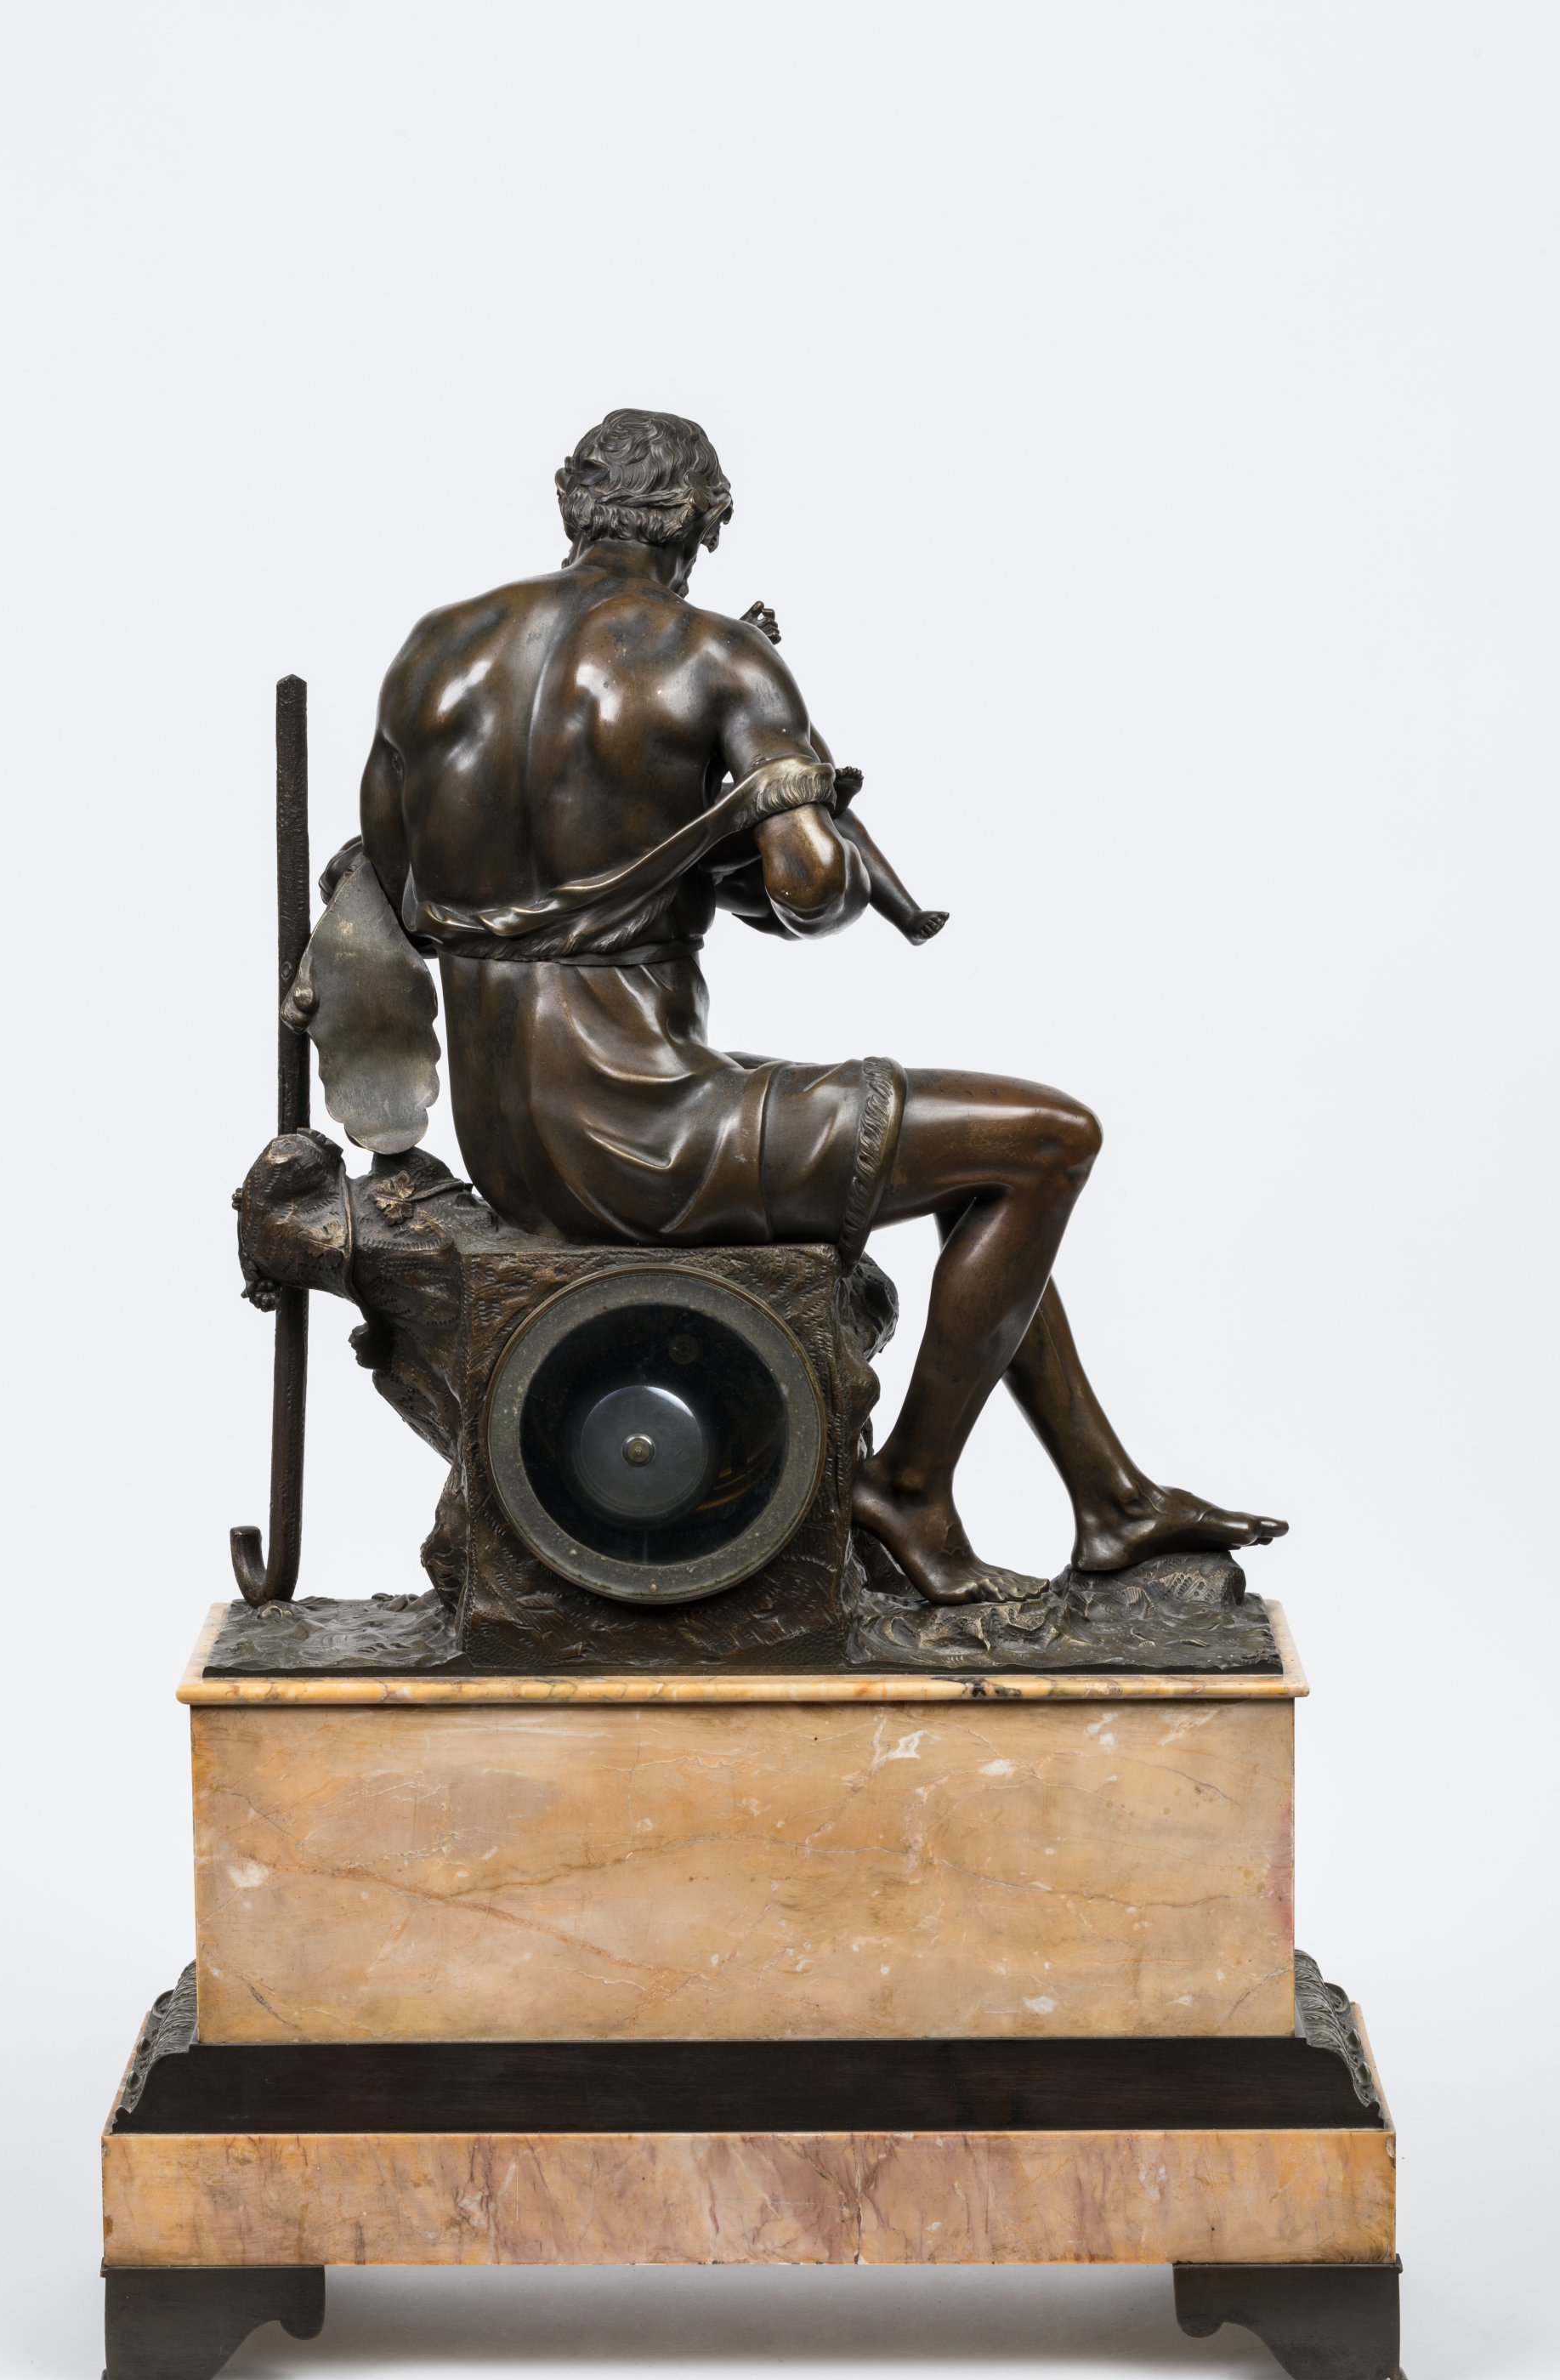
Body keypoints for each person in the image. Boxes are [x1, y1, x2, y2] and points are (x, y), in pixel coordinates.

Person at [349, 408, 1285, 1602]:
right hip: (639, 1137)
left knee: (972, 1162)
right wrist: (793, 797)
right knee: (1046, 1143)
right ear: (706, 524)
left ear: (569, 502)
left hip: (515, 1141)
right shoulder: (715, 659)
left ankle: (1112, 1501)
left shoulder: (432, 651)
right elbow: (807, 893)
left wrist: (684, 848)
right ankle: (911, 1489)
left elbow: (409, 892)